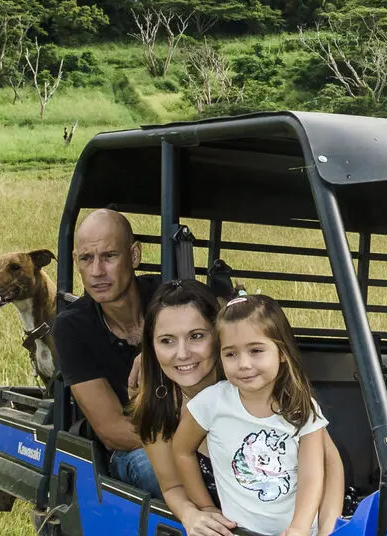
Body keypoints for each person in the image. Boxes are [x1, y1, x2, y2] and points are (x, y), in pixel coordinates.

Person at [133, 281, 345, 536]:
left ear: (218, 335)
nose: (182, 353)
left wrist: (326, 530)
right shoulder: (167, 408)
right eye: (167, 341)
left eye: (196, 336)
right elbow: (172, 485)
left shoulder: (281, 397)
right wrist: (194, 513)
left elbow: (328, 466)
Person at [52, 208, 162, 496]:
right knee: (156, 468)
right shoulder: (72, 327)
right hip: (133, 447)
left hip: (195, 428)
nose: (97, 271)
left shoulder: (168, 298)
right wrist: (188, 445)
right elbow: (114, 431)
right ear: (76, 262)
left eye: (109, 256)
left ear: (134, 256)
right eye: (87, 259)